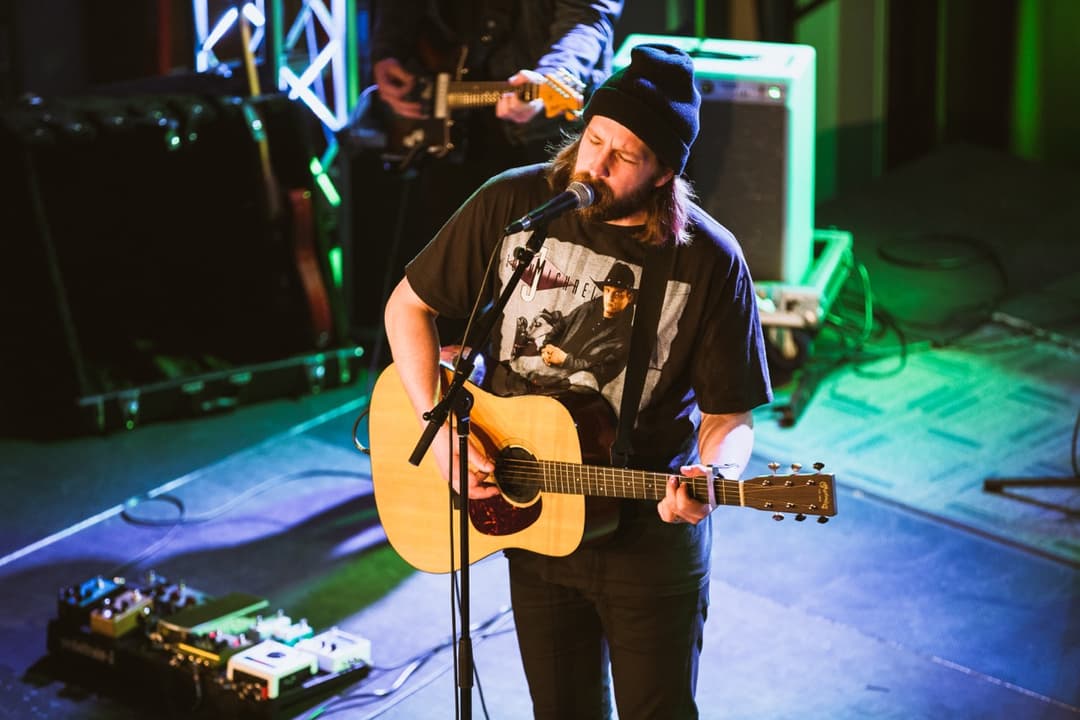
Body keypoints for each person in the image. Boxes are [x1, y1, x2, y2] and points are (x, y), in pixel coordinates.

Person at [382, 43, 773, 719]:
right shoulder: (515, 203)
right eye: (595, 139)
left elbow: (727, 417)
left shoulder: (710, 261)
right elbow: (406, 307)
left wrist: (713, 476)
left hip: (648, 540)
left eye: (625, 155)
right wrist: (435, 425)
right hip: (536, 528)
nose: (596, 165)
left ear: (664, 172)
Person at [350, 0, 624, 345]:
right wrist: (387, 51)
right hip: (450, 128)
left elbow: (586, 17)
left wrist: (556, 75)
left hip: (538, 126)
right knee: (446, 281)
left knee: (537, 286)